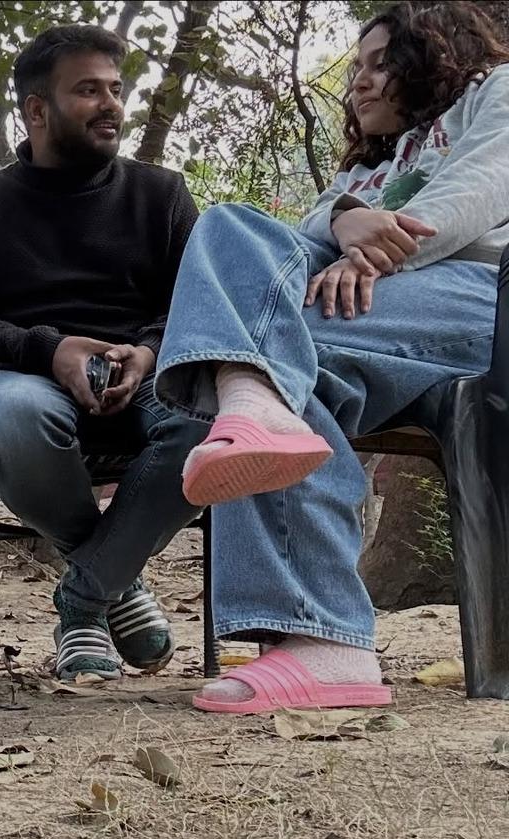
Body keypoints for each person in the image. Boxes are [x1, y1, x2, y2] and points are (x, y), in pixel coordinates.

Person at [153, 0, 509, 712]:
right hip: (384, 321)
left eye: (382, 64)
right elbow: (302, 233)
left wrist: (374, 255)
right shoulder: (377, 168)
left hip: (480, 301)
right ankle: (328, 647)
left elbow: (476, 195)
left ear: (434, 54)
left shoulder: (493, 94)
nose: (362, 85)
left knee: (259, 342)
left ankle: (251, 399)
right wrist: (347, 216)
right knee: (231, 229)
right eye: (356, 73)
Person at [0, 24, 208, 681]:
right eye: (88, 90)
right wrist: (49, 351)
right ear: (35, 110)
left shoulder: (162, 196)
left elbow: (199, 308)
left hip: (149, 380)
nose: (110, 103)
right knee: (9, 416)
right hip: (30, 378)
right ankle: (120, 584)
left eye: (116, 89)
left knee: (215, 422)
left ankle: (84, 600)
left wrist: (148, 350)